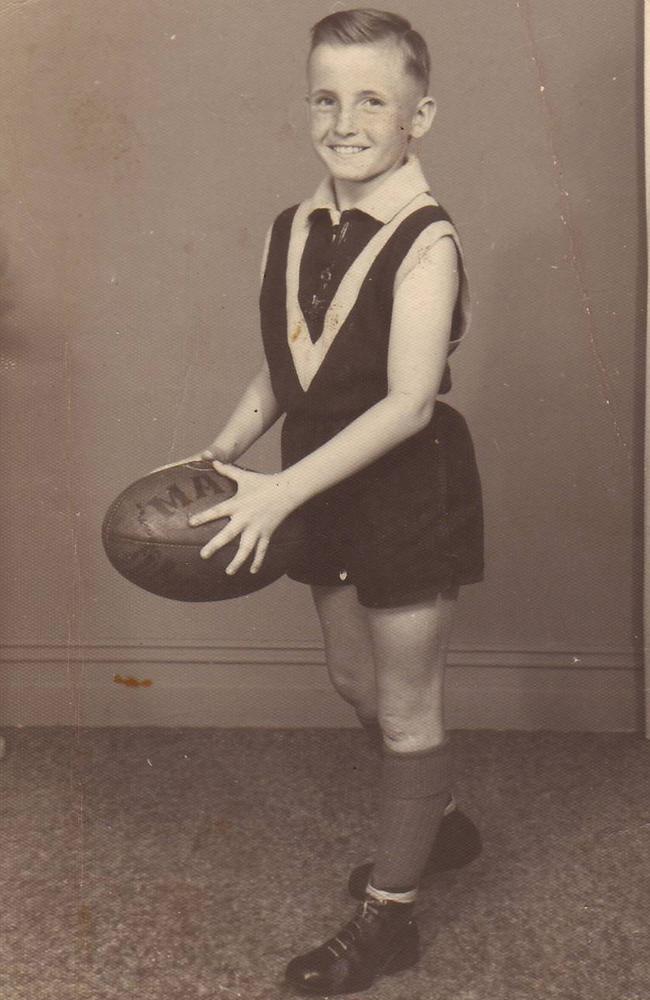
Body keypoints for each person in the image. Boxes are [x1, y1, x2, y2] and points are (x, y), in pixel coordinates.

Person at [184, 9, 484, 994]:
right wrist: (223, 450)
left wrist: (276, 491)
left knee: (405, 704)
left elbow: (404, 403)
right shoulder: (290, 227)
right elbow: (284, 367)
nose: (344, 118)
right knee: (355, 683)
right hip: (313, 482)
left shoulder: (425, 240)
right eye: (326, 96)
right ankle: (433, 818)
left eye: (371, 99)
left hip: (403, 487)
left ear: (417, 115)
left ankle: (389, 920)